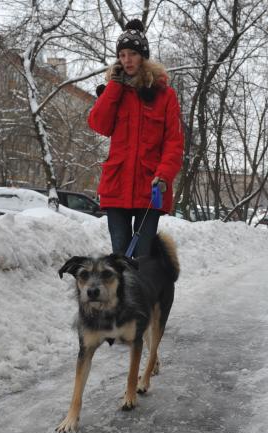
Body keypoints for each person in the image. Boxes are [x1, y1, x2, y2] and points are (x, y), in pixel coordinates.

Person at [88, 19, 184, 257]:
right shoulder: (114, 90)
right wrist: (114, 87)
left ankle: (148, 295)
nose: (127, 59)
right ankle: (125, 296)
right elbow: (99, 124)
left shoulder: (164, 95)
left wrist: (163, 176)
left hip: (150, 186)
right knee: (120, 259)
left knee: (142, 259)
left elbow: (174, 141)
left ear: (143, 57)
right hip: (117, 185)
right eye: (122, 54)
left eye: (132, 53)